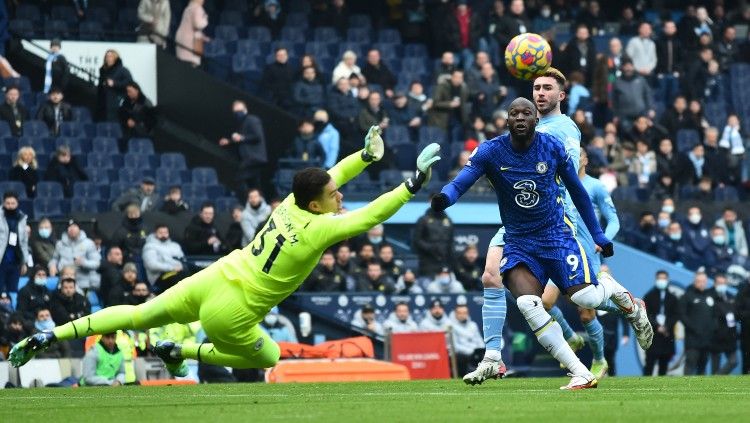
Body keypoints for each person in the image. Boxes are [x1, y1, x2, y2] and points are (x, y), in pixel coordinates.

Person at [9, 126, 442, 377]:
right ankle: (183, 352)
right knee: (270, 357)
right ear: (316, 204)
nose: (339, 197)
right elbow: (368, 217)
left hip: (214, 276)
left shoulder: (291, 201)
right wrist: (411, 185)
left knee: (137, 315)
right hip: (233, 311)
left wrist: (365, 156)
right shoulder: (319, 229)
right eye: (334, 196)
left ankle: (48, 335)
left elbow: (332, 174)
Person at [432, 97, 650, 390]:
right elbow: (462, 180)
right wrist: (445, 197)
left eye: (526, 113)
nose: (520, 117)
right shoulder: (491, 151)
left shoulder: (552, 146)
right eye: (514, 113)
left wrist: (598, 235)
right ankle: (580, 372)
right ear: (506, 121)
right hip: (519, 241)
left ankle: (615, 291)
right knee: (527, 303)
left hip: (556, 236)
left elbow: (578, 192)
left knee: (585, 299)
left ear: (536, 119)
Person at [218, 100, 267, 194]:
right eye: (235, 112)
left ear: (245, 109)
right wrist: (229, 142)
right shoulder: (241, 124)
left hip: (254, 158)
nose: (238, 114)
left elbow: (257, 136)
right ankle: (256, 200)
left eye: (239, 111)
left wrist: (242, 138)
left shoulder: (252, 120)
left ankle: (249, 200)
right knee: (253, 184)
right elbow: (241, 140)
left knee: (240, 179)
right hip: (248, 159)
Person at [679, 269, 716, 376]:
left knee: (702, 367)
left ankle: (700, 392)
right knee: (690, 365)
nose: (702, 283)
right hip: (692, 340)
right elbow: (682, 315)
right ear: (695, 281)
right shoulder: (688, 296)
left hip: (706, 340)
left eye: (704, 281)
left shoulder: (710, 297)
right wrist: (693, 328)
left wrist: (712, 328)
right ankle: (685, 390)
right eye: (699, 281)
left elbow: (715, 315)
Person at [642, 270, 679, 376]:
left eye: (664, 279)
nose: (662, 281)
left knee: (664, 366)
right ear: (656, 280)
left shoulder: (673, 298)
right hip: (653, 335)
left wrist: (666, 326)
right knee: (649, 365)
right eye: (660, 278)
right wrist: (657, 326)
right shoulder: (649, 296)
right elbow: (645, 314)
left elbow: (676, 315)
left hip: (667, 336)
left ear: (667, 280)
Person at [48, 219, 101, 292]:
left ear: (79, 228)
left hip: (84, 283)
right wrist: (52, 265)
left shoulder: (88, 243)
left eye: (75, 226)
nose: (72, 229)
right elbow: (54, 259)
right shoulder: (60, 244)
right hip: (65, 283)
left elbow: (97, 263)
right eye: (70, 227)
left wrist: (84, 263)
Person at [412, 196, 454, 278]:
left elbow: (451, 242)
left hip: (445, 262)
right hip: (427, 262)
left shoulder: (448, 220)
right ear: (430, 202)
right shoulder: (423, 220)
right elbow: (417, 240)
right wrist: (432, 248)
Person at [0, 191, 30, 297]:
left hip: (15, 262)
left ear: (17, 204)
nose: (10, 206)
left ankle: (12, 313)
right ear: (3, 203)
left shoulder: (22, 218)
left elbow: (24, 242)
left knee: (13, 292)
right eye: (8, 203)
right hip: (1, 261)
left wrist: (24, 262)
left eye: (13, 203)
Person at [142, 225, 187, 293]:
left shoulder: (175, 245)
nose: (163, 234)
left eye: (165, 232)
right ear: (155, 234)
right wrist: (172, 268)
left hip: (179, 271)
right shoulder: (149, 246)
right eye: (160, 232)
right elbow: (152, 265)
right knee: (178, 278)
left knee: (195, 272)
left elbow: (183, 259)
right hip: (160, 277)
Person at [711, 274, 738, 375]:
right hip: (716, 336)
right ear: (715, 284)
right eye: (719, 283)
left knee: (734, 361)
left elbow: (735, 313)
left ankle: (714, 382)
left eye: (723, 283)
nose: (722, 285)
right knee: (715, 367)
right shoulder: (710, 297)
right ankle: (713, 389)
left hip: (730, 336)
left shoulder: (731, 297)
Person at [97, 50, 132, 122]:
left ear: (115, 58)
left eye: (110, 56)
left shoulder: (123, 70)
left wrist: (115, 84)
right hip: (103, 104)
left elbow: (129, 83)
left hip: (116, 104)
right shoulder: (103, 71)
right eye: (107, 57)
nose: (108, 58)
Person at [452, 304, 485, 377]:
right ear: (456, 314)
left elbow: (479, 341)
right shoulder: (452, 326)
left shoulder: (473, 325)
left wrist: (481, 350)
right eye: (460, 313)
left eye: (464, 313)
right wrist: (471, 351)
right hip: (463, 354)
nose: (462, 315)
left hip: (475, 353)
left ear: (467, 314)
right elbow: (455, 346)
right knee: (460, 357)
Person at [175, 0, 209, 67]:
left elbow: (190, 26)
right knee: (190, 69)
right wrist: (205, 19)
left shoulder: (188, 8)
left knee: (180, 66)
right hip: (190, 43)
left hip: (181, 39)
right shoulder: (197, 8)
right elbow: (198, 24)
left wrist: (203, 37)